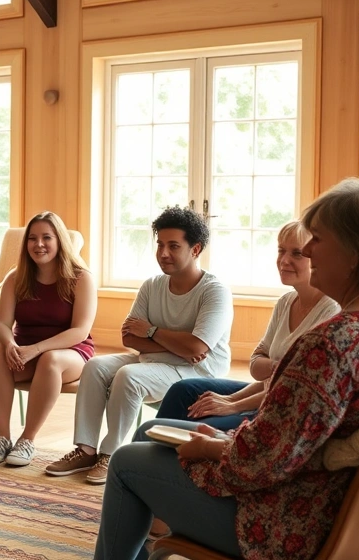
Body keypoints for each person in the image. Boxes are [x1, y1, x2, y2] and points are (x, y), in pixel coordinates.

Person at [94, 178, 359, 560]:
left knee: (125, 462)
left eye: (317, 238)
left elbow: (258, 462)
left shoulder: (335, 343)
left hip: (299, 522)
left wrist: (213, 448)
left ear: (355, 251)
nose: (307, 249)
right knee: (154, 430)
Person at [46, 206, 233, 484]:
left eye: (173, 246)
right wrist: (173, 343)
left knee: (129, 375)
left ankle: (111, 454)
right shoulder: (152, 285)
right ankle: (85, 449)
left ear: (195, 250)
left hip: (198, 373)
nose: (163, 253)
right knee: (95, 366)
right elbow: (129, 338)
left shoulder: (214, 291)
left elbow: (196, 350)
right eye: (159, 245)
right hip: (160, 361)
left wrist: (152, 331)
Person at [150, 221, 340, 431]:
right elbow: (257, 365)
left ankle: (158, 452)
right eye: (281, 251)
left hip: (284, 407)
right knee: (183, 390)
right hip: (266, 390)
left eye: (297, 253)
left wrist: (233, 405)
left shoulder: (331, 312)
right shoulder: (286, 302)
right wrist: (275, 368)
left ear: (318, 257)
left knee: (204, 424)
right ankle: (147, 453)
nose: (284, 260)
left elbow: (291, 388)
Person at [0, 211, 97, 467]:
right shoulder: (16, 277)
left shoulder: (81, 278)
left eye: (47, 237)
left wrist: (36, 349)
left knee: (50, 360)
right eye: (32, 239)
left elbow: (79, 330)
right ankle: (3, 437)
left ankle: (27, 439)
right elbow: (2, 323)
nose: (39, 244)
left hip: (70, 353)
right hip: (25, 351)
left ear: (59, 241)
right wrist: (10, 344)